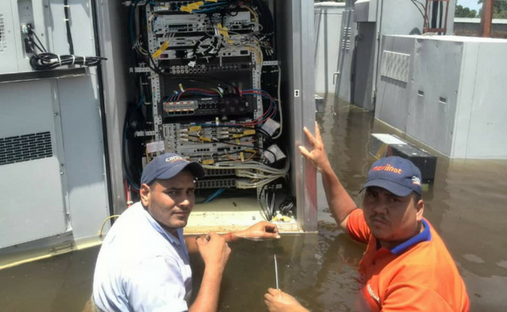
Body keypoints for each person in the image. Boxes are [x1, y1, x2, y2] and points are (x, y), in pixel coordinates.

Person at [264, 124, 469, 312]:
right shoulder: (390, 230)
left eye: (393, 199)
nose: (380, 208)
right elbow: (347, 216)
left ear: (419, 209)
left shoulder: (420, 287)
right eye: (373, 195)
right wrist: (324, 166)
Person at [93, 153, 280, 312]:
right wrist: (214, 267)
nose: (185, 202)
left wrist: (238, 235)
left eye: (189, 191)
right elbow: (159, 262)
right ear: (145, 193)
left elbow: (177, 243)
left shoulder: (143, 213)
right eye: (173, 192)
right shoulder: (151, 267)